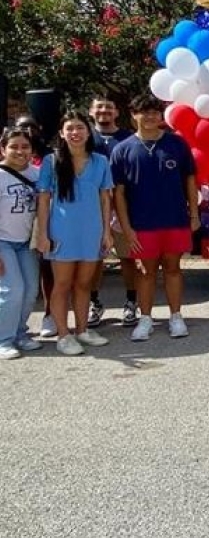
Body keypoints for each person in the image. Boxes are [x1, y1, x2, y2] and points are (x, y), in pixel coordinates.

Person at [110, 94, 200, 342]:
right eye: (144, 112)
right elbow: (118, 193)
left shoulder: (177, 144)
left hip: (174, 219)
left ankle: (176, 316)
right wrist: (126, 228)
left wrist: (194, 213)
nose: (150, 117)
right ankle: (146, 318)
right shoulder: (122, 149)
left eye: (154, 112)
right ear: (133, 115)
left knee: (173, 269)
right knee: (145, 272)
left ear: (161, 116)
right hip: (141, 223)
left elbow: (190, 180)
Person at [35, 111, 113, 356]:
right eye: (69, 128)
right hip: (62, 232)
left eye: (80, 127)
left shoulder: (100, 161)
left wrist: (107, 232)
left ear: (88, 131)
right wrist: (42, 234)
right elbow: (44, 199)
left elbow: (105, 198)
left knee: (84, 284)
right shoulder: (51, 161)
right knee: (62, 284)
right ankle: (63, 335)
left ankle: (82, 330)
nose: (75, 133)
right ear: (61, 133)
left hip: (91, 231)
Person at [87, 95, 138, 328]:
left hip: (123, 206)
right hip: (92, 208)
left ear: (117, 112)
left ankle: (131, 302)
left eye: (109, 107)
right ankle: (94, 303)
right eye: (99, 107)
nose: (104, 111)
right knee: (95, 259)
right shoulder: (84, 137)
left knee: (127, 257)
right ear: (91, 112)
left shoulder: (128, 137)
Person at [0, 128, 42, 359]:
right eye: (14, 146)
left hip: (26, 242)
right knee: (12, 291)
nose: (20, 151)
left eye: (25, 147)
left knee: (30, 291)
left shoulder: (37, 173)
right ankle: (3, 339)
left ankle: (20, 333)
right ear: (3, 149)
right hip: (3, 242)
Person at [14, 115, 56, 338]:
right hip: (14, 230)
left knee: (47, 274)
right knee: (18, 283)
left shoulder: (51, 158)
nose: (27, 131)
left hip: (45, 223)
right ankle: (15, 326)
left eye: (31, 127)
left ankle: (50, 315)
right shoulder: (10, 161)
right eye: (22, 127)